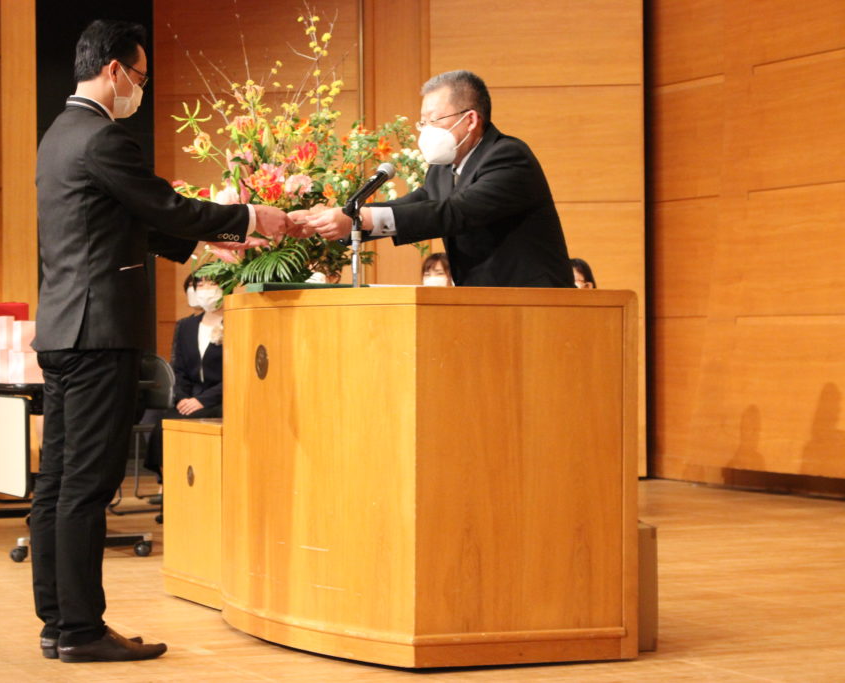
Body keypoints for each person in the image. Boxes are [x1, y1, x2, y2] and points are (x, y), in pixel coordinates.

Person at [30, 19, 294, 664]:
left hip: (63, 330)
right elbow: (162, 206)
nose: (141, 90)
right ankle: (83, 630)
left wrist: (210, 236)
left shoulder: (58, 136)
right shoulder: (102, 137)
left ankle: (58, 623)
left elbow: (119, 222)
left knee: (57, 482)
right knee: (87, 485)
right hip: (99, 334)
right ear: (114, 71)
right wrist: (248, 216)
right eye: (141, 78)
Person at [299, 70, 574, 288]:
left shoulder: (508, 156)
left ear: (470, 120)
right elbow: (416, 203)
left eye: (433, 120)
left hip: (533, 299)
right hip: (485, 300)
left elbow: (456, 211)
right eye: (423, 122)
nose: (426, 130)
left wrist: (360, 218)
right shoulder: (443, 168)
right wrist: (344, 217)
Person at [143, 275, 224, 478]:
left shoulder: (237, 322)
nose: (205, 288)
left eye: (211, 283)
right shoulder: (187, 326)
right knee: (162, 423)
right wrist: (182, 397)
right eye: (200, 285)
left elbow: (237, 373)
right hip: (191, 397)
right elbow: (178, 369)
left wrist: (202, 400)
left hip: (221, 398)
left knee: (187, 420)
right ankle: (167, 482)